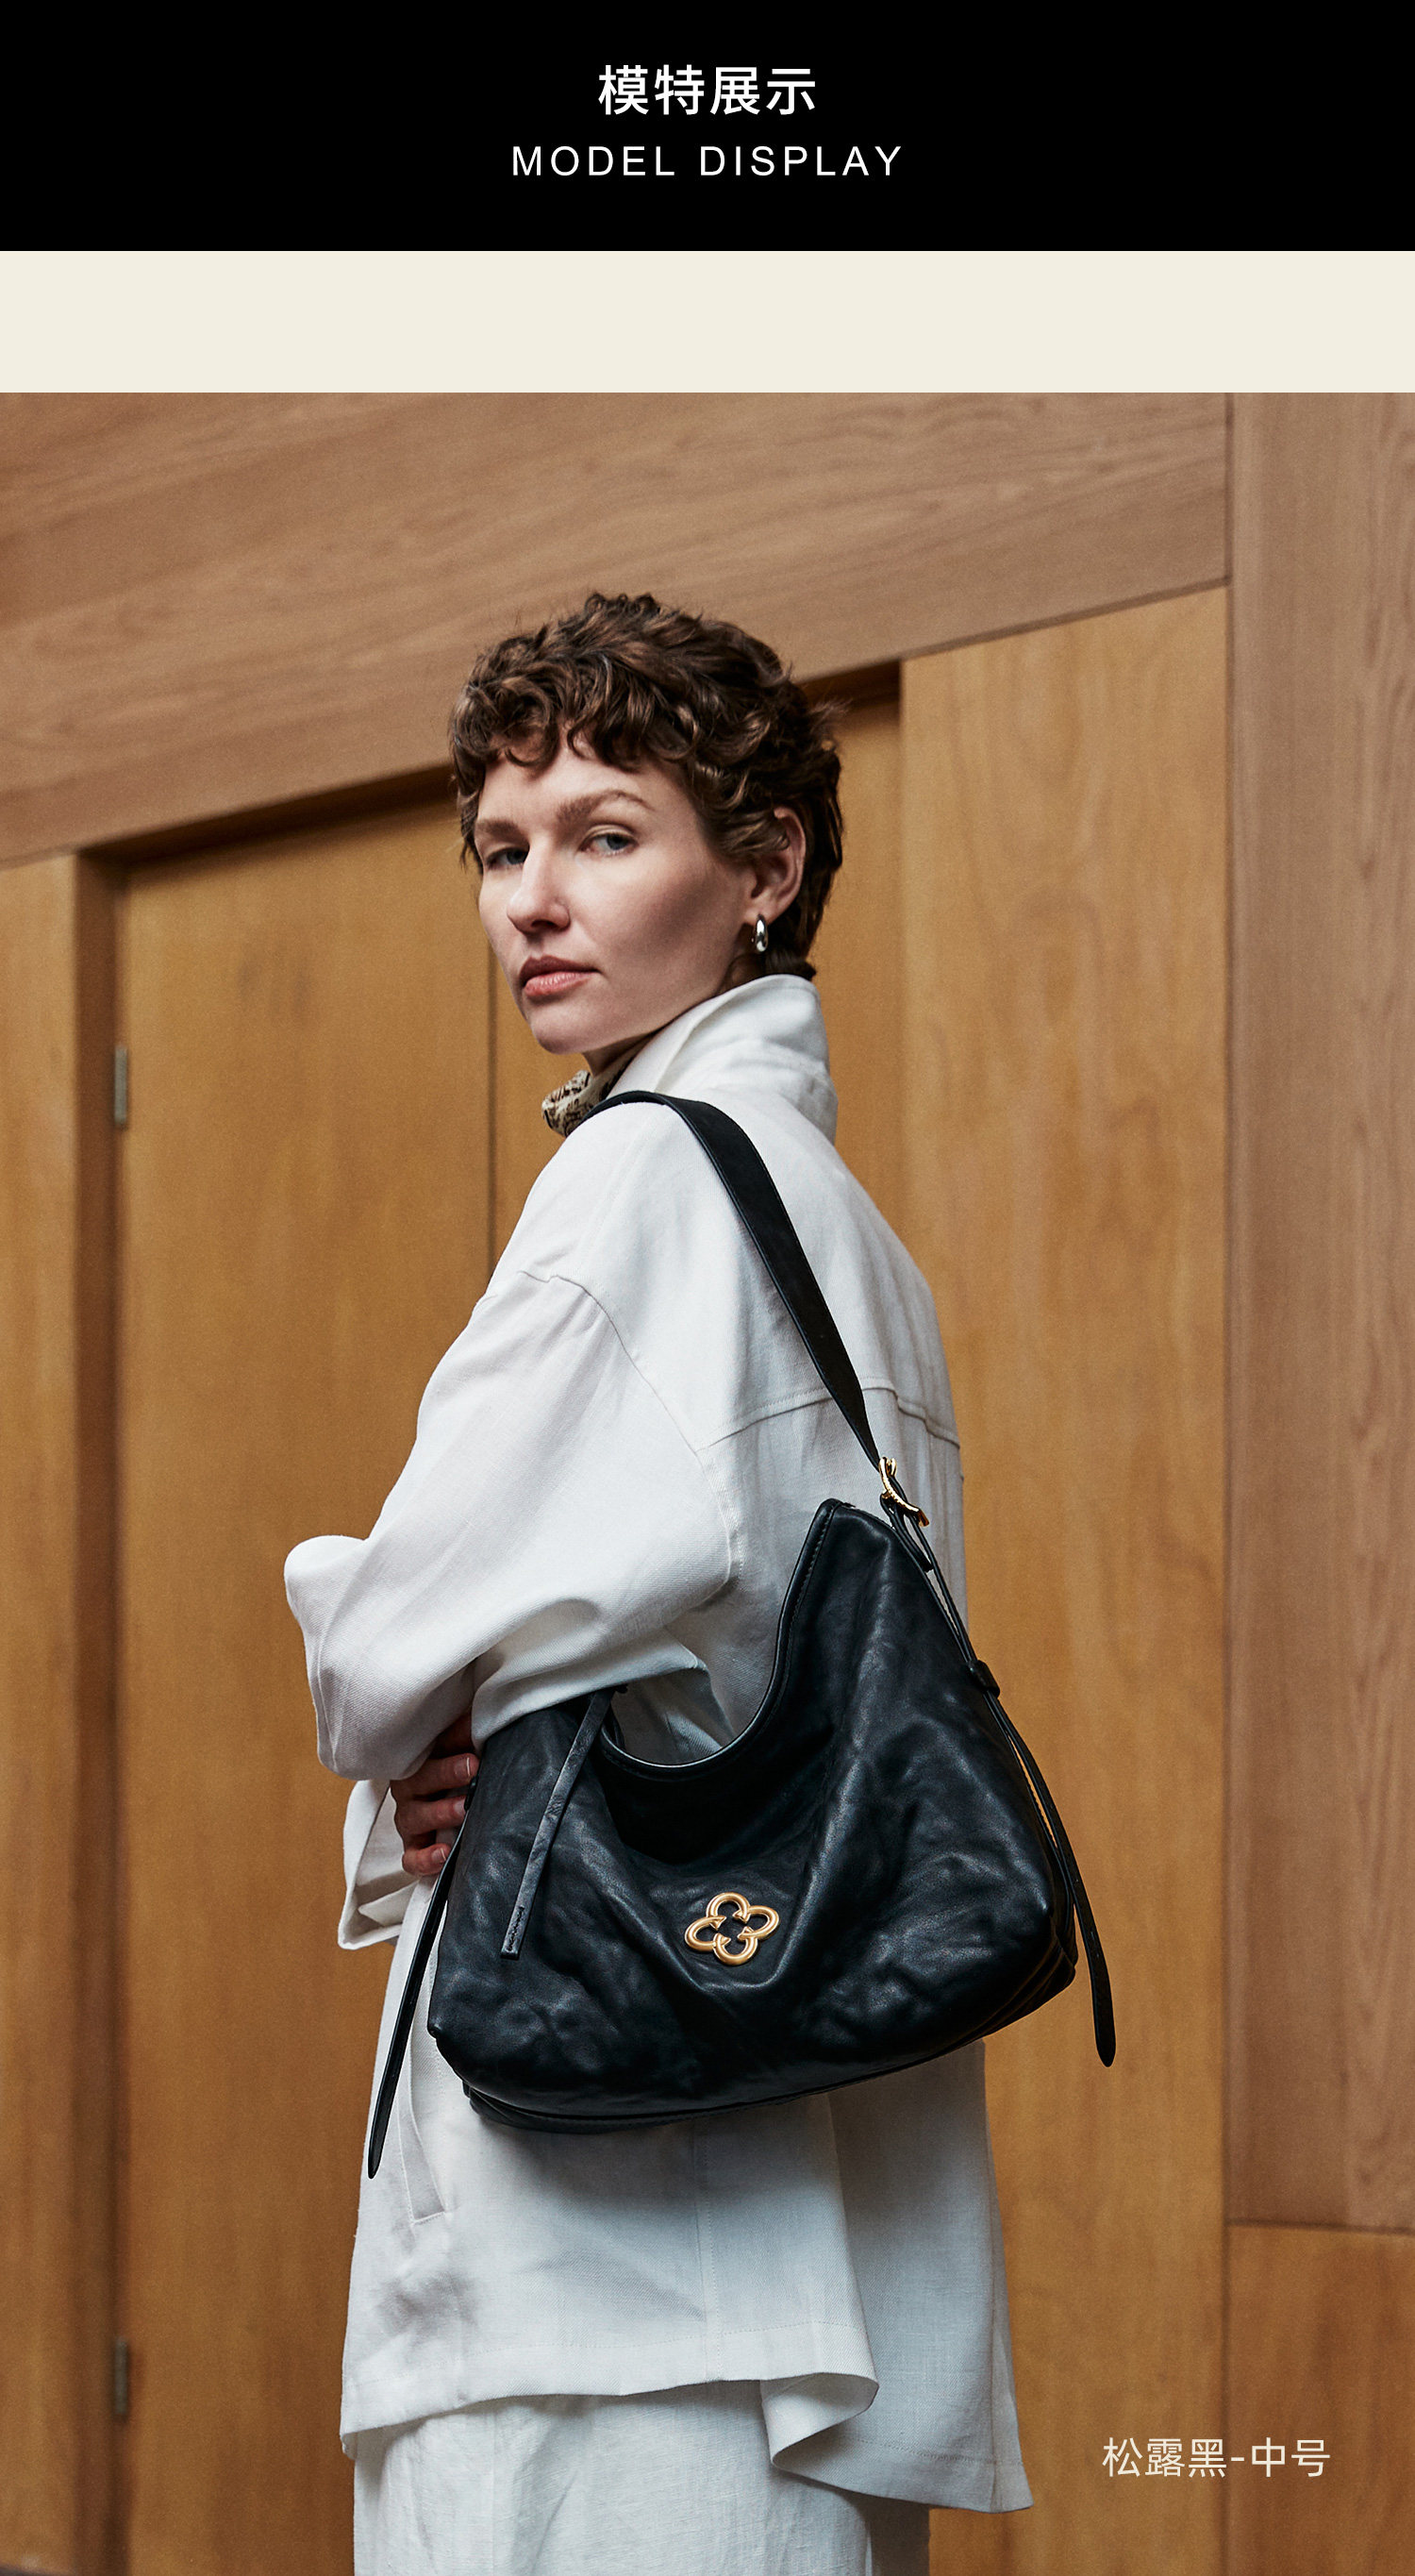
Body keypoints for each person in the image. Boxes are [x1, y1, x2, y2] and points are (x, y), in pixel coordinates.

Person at [285, 593, 1031, 2576]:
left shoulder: (641, 1183)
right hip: (799, 2265)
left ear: (764, 866)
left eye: (606, 835)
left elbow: (387, 1653)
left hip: (611, 2284)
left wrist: (401, 1716)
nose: (534, 899)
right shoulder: (844, 1231)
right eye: (502, 846)